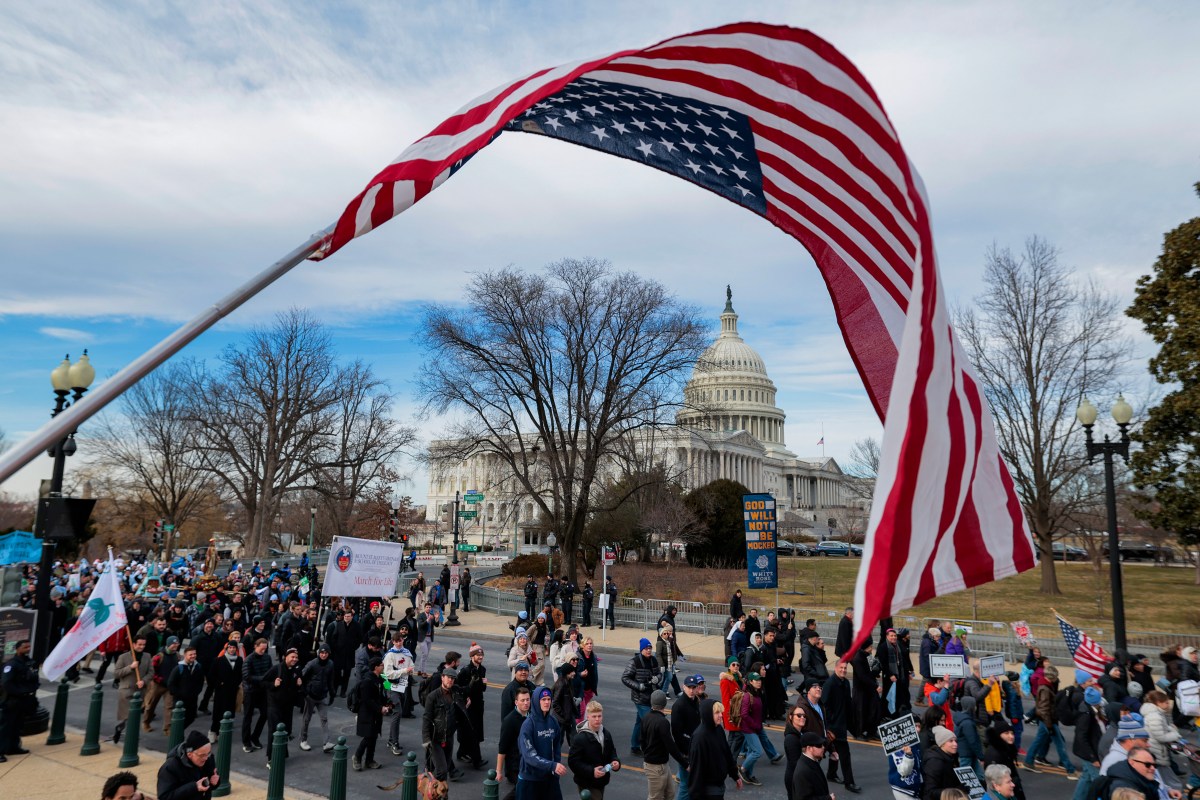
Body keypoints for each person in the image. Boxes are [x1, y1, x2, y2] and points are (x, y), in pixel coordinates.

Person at [1021, 664, 1076, 776]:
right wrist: (1049, 726)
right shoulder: (1045, 689)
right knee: (1060, 744)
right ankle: (1069, 769)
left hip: (1045, 720)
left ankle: (1029, 761)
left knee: (1038, 741)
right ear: (1052, 677)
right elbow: (1044, 709)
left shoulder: (1044, 686)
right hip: (1048, 720)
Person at [518, 686, 569, 799]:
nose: (546, 702)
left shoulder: (553, 722)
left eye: (549, 699)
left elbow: (557, 749)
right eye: (543, 699)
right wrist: (552, 765)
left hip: (549, 778)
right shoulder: (528, 725)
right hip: (530, 780)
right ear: (537, 701)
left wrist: (555, 771)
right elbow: (529, 756)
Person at [689, 699, 743, 798]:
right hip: (708, 790)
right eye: (717, 713)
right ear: (708, 715)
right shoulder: (699, 738)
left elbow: (727, 754)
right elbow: (697, 770)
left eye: (721, 712)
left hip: (719, 785)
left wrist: (735, 775)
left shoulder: (718, 729)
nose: (721, 715)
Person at [568, 699, 621, 800]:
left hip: (601, 780)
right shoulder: (580, 738)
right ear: (588, 717)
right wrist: (592, 771)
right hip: (586, 782)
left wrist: (615, 761)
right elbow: (573, 762)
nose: (597, 719)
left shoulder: (606, 734)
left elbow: (611, 751)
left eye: (599, 716)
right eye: (594, 716)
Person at [823, 660, 862, 792]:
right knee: (844, 755)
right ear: (835, 668)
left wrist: (853, 726)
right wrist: (830, 725)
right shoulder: (830, 684)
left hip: (841, 725)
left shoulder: (845, 683)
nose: (843, 670)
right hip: (833, 727)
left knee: (834, 752)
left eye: (845, 668)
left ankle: (831, 774)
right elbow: (825, 706)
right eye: (841, 668)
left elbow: (848, 705)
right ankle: (849, 783)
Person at [642, 690, 687, 800]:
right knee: (655, 797)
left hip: (661, 765)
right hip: (656, 767)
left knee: (670, 793)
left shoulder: (646, 717)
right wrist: (685, 764)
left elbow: (642, 741)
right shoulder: (663, 722)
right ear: (664, 704)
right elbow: (671, 746)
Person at [422, 665, 463, 783]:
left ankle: (439, 790)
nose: (450, 680)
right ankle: (433, 790)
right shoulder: (432, 697)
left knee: (446, 766)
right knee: (442, 770)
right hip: (436, 738)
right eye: (448, 677)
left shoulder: (455, 693)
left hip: (449, 737)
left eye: (453, 678)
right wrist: (426, 740)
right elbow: (426, 719)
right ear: (442, 678)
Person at [622, 637, 662, 756]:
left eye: (650, 648)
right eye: (646, 648)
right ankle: (650, 748)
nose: (648, 650)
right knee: (649, 723)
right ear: (641, 650)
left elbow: (659, 673)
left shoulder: (653, 660)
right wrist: (638, 686)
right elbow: (625, 678)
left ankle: (635, 746)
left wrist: (657, 678)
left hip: (652, 696)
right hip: (640, 698)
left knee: (640, 722)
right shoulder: (634, 662)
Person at [264, 647, 303, 768]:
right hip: (274, 706)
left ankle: (281, 754)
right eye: (292, 657)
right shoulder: (276, 669)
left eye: (296, 657)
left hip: (287, 706)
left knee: (285, 731)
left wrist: (299, 685)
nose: (294, 659)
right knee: (274, 731)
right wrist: (273, 684)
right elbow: (263, 682)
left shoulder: (296, 670)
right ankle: (271, 759)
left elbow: (296, 689)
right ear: (286, 657)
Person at [0, 639, 38, 759]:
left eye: (29, 647)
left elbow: (33, 678)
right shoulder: (11, 664)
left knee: (17, 725)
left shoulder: (29, 663)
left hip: (24, 700)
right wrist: (20, 692)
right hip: (12, 700)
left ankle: (13, 747)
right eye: (25, 647)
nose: (28, 649)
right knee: (5, 727)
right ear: (18, 649)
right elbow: (6, 683)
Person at [157, 729, 221, 800]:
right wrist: (194, 787)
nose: (206, 758)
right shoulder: (170, 767)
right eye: (202, 755)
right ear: (190, 754)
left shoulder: (208, 758)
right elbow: (164, 796)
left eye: (208, 753)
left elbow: (209, 783)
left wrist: (215, 782)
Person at [738, 671, 776, 786]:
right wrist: (755, 725)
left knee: (751, 751)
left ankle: (748, 775)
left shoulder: (757, 693)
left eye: (760, 680)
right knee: (757, 752)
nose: (759, 682)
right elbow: (744, 714)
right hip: (749, 729)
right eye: (756, 680)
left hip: (757, 727)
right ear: (750, 682)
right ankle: (742, 769)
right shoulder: (747, 696)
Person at [112, 635, 152, 744]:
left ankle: (120, 728)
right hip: (126, 691)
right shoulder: (123, 657)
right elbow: (116, 673)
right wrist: (130, 667)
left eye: (143, 645)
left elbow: (151, 672)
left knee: (134, 716)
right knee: (130, 716)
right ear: (133, 644)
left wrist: (143, 681)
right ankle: (131, 736)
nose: (141, 647)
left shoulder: (147, 656)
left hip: (140, 691)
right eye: (139, 644)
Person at [352, 656, 389, 771]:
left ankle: (369, 760)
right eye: (382, 665)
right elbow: (367, 700)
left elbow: (385, 690)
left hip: (376, 713)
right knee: (368, 736)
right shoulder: (367, 681)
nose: (383, 667)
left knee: (374, 736)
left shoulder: (380, 678)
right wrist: (380, 708)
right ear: (376, 667)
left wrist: (387, 704)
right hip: (367, 713)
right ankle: (357, 757)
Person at [672, 674, 704, 800]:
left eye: (693, 687)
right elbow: (677, 734)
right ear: (683, 687)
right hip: (686, 753)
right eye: (689, 687)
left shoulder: (696, 701)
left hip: (695, 749)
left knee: (693, 784)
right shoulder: (679, 706)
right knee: (685, 786)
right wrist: (685, 757)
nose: (691, 690)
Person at [300, 643, 336, 753]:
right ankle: (303, 740)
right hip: (310, 696)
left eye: (325, 653)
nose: (323, 655)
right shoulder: (312, 664)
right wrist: (305, 692)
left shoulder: (330, 664)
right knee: (306, 719)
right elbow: (302, 677)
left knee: (324, 719)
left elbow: (331, 680)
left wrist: (332, 693)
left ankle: (326, 742)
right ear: (318, 653)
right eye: (322, 653)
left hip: (322, 695)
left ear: (329, 654)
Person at [497, 686, 532, 800]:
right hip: (515, 766)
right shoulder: (509, 720)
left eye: (528, 699)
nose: (526, 703)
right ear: (516, 702)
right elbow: (502, 747)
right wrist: (498, 771)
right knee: (523, 788)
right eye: (522, 700)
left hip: (528, 762)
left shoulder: (531, 716)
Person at [207, 639, 243, 744]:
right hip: (221, 691)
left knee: (229, 712)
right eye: (230, 648)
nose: (232, 649)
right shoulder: (219, 660)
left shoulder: (239, 660)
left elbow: (240, 674)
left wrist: (236, 683)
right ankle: (213, 731)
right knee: (218, 712)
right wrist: (219, 683)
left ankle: (222, 732)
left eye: (234, 648)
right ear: (226, 649)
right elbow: (211, 675)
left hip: (232, 690)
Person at [240, 637, 272, 752]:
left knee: (265, 714)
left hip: (262, 690)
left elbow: (270, 671)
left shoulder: (267, 657)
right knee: (248, 717)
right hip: (250, 691)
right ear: (255, 646)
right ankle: (246, 742)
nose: (263, 651)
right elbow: (247, 676)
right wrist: (263, 678)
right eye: (261, 649)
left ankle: (255, 736)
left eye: (265, 649)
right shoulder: (248, 660)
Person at [981, 719, 1024, 800]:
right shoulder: (995, 754)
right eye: (1006, 733)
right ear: (998, 735)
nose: (1011, 736)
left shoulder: (1006, 749)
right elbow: (994, 780)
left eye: (1012, 733)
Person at [167, 645, 206, 730]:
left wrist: (197, 692)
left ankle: (179, 732)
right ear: (185, 655)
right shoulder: (178, 668)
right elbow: (170, 684)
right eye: (190, 654)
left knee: (191, 718)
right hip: (180, 700)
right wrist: (179, 694)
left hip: (192, 699)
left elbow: (201, 681)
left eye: (194, 654)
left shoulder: (198, 667)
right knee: (178, 721)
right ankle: (176, 734)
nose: (193, 656)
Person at [922, 726, 966, 800]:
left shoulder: (951, 757)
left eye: (955, 741)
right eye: (951, 741)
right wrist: (956, 790)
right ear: (942, 743)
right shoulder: (935, 761)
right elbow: (930, 791)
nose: (955, 744)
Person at [792, 730, 833, 800]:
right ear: (809, 748)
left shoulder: (811, 761)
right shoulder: (803, 771)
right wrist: (828, 798)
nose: (823, 747)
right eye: (819, 745)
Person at [784, 703, 809, 800]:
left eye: (804, 716)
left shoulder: (801, 733)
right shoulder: (791, 738)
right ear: (791, 717)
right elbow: (795, 762)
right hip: (795, 779)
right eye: (799, 715)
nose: (802, 717)